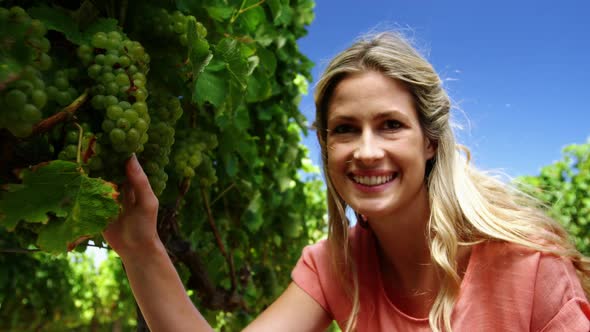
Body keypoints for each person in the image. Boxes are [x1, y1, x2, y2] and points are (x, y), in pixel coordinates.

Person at [103, 32, 590, 332]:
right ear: (326, 148)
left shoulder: (526, 264)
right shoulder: (334, 266)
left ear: (430, 142)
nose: (367, 150)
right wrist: (140, 247)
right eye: (345, 130)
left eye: (391, 125)